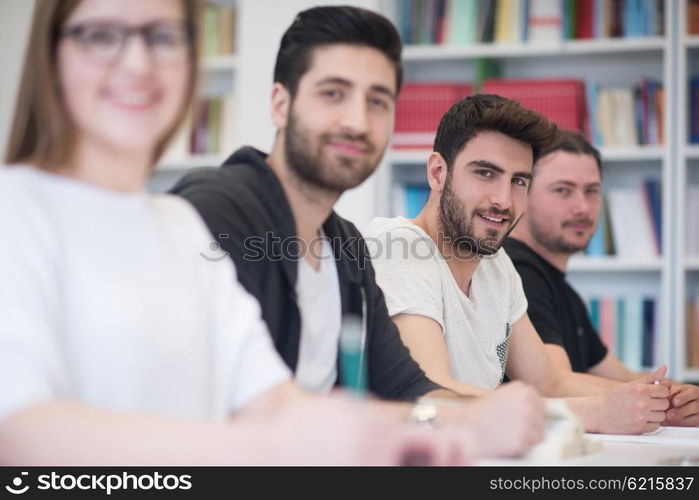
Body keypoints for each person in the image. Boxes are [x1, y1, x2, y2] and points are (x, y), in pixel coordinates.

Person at [0, 0, 471, 466]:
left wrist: (457, 426)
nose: (138, 63)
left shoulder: (177, 226)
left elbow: (276, 402)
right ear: (51, 54)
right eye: (101, 35)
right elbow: (16, 434)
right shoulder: (18, 212)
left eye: (164, 37)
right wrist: (286, 447)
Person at [171, 5, 545, 457]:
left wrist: (488, 416)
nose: (357, 121)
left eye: (377, 101)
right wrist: (466, 419)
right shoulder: (219, 211)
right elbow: (246, 411)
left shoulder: (346, 247)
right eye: (333, 93)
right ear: (281, 104)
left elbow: (408, 389)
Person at [366, 94, 671, 435]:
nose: (503, 200)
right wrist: (597, 412)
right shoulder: (400, 245)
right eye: (485, 173)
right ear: (438, 173)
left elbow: (548, 381)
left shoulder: (497, 265)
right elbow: (433, 392)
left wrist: (660, 402)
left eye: (519, 181)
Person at [504, 130, 699, 428]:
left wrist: (681, 395)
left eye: (592, 191)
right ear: (523, 194)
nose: (582, 206)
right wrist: (665, 401)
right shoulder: (517, 271)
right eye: (563, 190)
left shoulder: (561, 289)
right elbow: (553, 382)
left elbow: (620, 376)